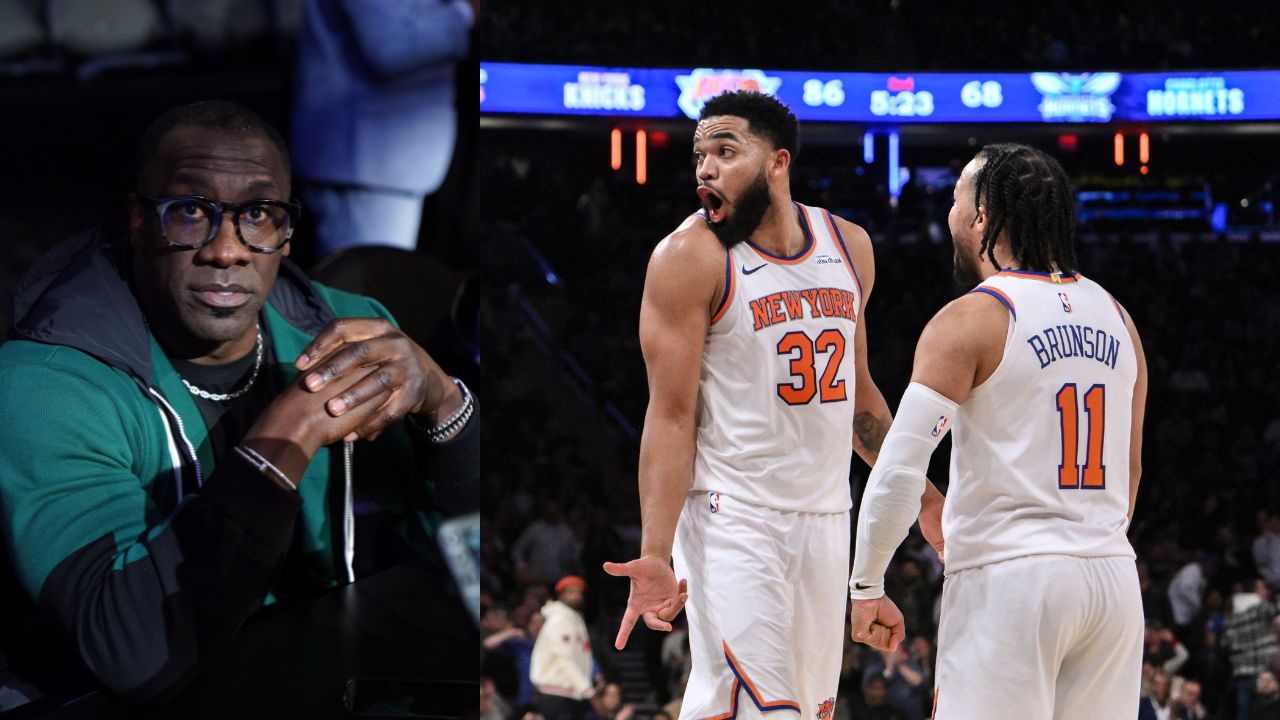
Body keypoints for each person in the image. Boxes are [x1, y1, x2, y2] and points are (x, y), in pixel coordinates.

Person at [0, 100, 479, 709]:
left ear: (286, 229)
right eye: (190, 212)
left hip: (310, 676)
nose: (227, 250)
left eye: (257, 213)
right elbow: (134, 650)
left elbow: (468, 551)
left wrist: (447, 407)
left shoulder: (349, 329)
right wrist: (286, 437)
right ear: (140, 222)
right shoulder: (40, 386)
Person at [603, 90, 944, 720]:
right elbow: (669, 415)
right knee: (769, 711)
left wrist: (922, 497)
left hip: (824, 517)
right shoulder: (688, 258)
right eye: (699, 154)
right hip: (731, 515)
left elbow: (858, 391)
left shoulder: (848, 246)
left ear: (777, 162)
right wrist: (654, 551)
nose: (705, 167)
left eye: (726, 151)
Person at [847, 143, 1148, 719]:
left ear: (981, 216)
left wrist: (866, 585)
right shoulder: (1119, 317)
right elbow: (1129, 468)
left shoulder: (973, 318)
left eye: (956, 200)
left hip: (1011, 581)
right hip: (1110, 578)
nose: (949, 215)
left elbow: (900, 471)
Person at [291, 0, 474, 258]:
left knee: (379, 285)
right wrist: (466, 12)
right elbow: (392, 48)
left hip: (382, 164)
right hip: (364, 165)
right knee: (364, 289)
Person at [530, 576, 595, 720]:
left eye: (579, 592)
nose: (576, 596)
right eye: (571, 592)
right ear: (561, 594)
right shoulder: (559, 620)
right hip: (557, 693)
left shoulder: (573, 618)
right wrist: (587, 690)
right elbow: (564, 659)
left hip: (570, 691)